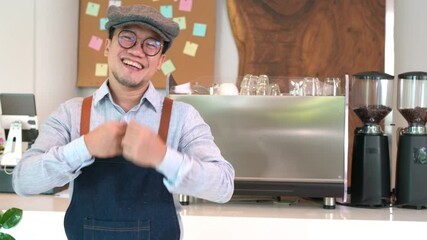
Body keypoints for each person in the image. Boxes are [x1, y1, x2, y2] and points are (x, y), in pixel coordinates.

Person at [12, 4, 235, 240]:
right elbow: (23, 181)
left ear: (160, 60)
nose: (137, 51)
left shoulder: (182, 117)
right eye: (127, 38)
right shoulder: (71, 113)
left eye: (151, 44)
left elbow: (223, 187)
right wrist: (85, 146)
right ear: (108, 46)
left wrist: (162, 156)